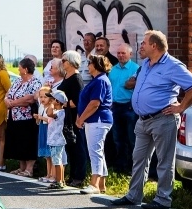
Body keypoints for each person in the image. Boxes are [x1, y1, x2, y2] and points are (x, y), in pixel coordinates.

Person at [111, 31, 192, 209]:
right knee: (138, 158)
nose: (141, 46)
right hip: (142, 120)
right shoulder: (146, 63)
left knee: (164, 161)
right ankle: (134, 195)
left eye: (144, 43)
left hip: (163, 119)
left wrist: (181, 107)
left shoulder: (173, 65)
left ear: (154, 46)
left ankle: (163, 198)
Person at [75, 54, 113, 194]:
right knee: (98, 151)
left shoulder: (100, 81)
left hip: (98, 120)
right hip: (95, 120)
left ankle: (94, 184)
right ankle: (101, 184)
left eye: (90, 63)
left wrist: (81, 119)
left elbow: (95, 103)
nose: (88, 65)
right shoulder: (97, 80)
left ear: (96, 65)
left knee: (94, 151)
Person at [3, 58, 41, 177]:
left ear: (25, 69)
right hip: (14, 116)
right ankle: (22, 167)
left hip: (27, 118)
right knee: (18, 141)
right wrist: (6, 100)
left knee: (28, 142)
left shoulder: (35, 82)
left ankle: (29, 169)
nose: (18, 70)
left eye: (19, 68)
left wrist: (13, 103)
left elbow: (30, 99)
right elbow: (8, 94)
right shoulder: (18, 81)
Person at [57, 50, 87, 187]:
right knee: (70, 146)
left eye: (64, 61)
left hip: (74, 116)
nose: (62, 63)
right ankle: (72, 174)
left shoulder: (76, 78)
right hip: (66, 115)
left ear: (71, 62)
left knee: (77, 146)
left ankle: (79, 176)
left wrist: (62, 103)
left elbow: (77, 100)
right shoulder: (66, 76)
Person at [109, 44, 139, 172]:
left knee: (131, 138)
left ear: (130, 54)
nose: (120, 55)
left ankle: (132, 167)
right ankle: (120, 166)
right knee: (118, 138)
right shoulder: (113, 69)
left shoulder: (136, 69)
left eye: (123, 53)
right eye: (119, 53)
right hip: (115, 107)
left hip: (129, 107)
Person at [45, 90, 69, 190]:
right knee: (59, 161)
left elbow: (49, 113)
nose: (50, 101)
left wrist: (51, 104)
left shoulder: (60, 112)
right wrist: (52, 104)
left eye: (52, 99)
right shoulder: (58, 112)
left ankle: (59, 181)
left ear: (58, 102)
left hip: (57, 140)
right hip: (55, 140)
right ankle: (61, 180)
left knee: (57, 162)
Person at [34, 85, 53, 182]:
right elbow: (38, 122)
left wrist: (41, 118)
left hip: (49, 130)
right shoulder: (41, 107)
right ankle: (48, 174)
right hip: (42, 129)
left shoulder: (51, 107)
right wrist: (37, 118)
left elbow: (51, 120)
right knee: (47, 156)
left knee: (51, 154)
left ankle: (52, 174)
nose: (42, 99)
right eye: (41, 97)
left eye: (45, 97)